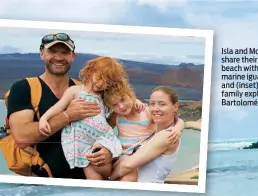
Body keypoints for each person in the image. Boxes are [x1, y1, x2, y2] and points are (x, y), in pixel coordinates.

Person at [5, 32, 112, 178]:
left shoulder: (87, 90)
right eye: (52, 51)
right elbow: (23, 138)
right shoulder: (24, 88)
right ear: (42, 54)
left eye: (65, 52)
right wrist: (67, 116)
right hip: (41, 184)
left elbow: (105, 126)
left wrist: (108, 150)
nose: (59, 57)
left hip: (85, 181)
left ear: (73, 56)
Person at [38, 56, 129, 180]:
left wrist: (137, 103)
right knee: (90, 171)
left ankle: (109, 182)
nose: (102, 83)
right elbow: (58, 107)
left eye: (107, 82)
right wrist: (44, 119)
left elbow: (124, 101)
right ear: (90, 71)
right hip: (82, 141)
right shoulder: (75, 91)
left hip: (101, 137)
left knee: (102, 163)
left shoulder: (104, 97)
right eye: (100, 77)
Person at [104, 84, 185, 181]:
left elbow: (127, 166)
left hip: (146, 191)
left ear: (175, 106)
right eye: (152, 103)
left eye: (162, 104)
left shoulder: (169, 135)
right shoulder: (155, 134)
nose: (155, 109)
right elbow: (104, 127)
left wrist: (108, 179)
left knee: (129, 177)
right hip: (121, 156)